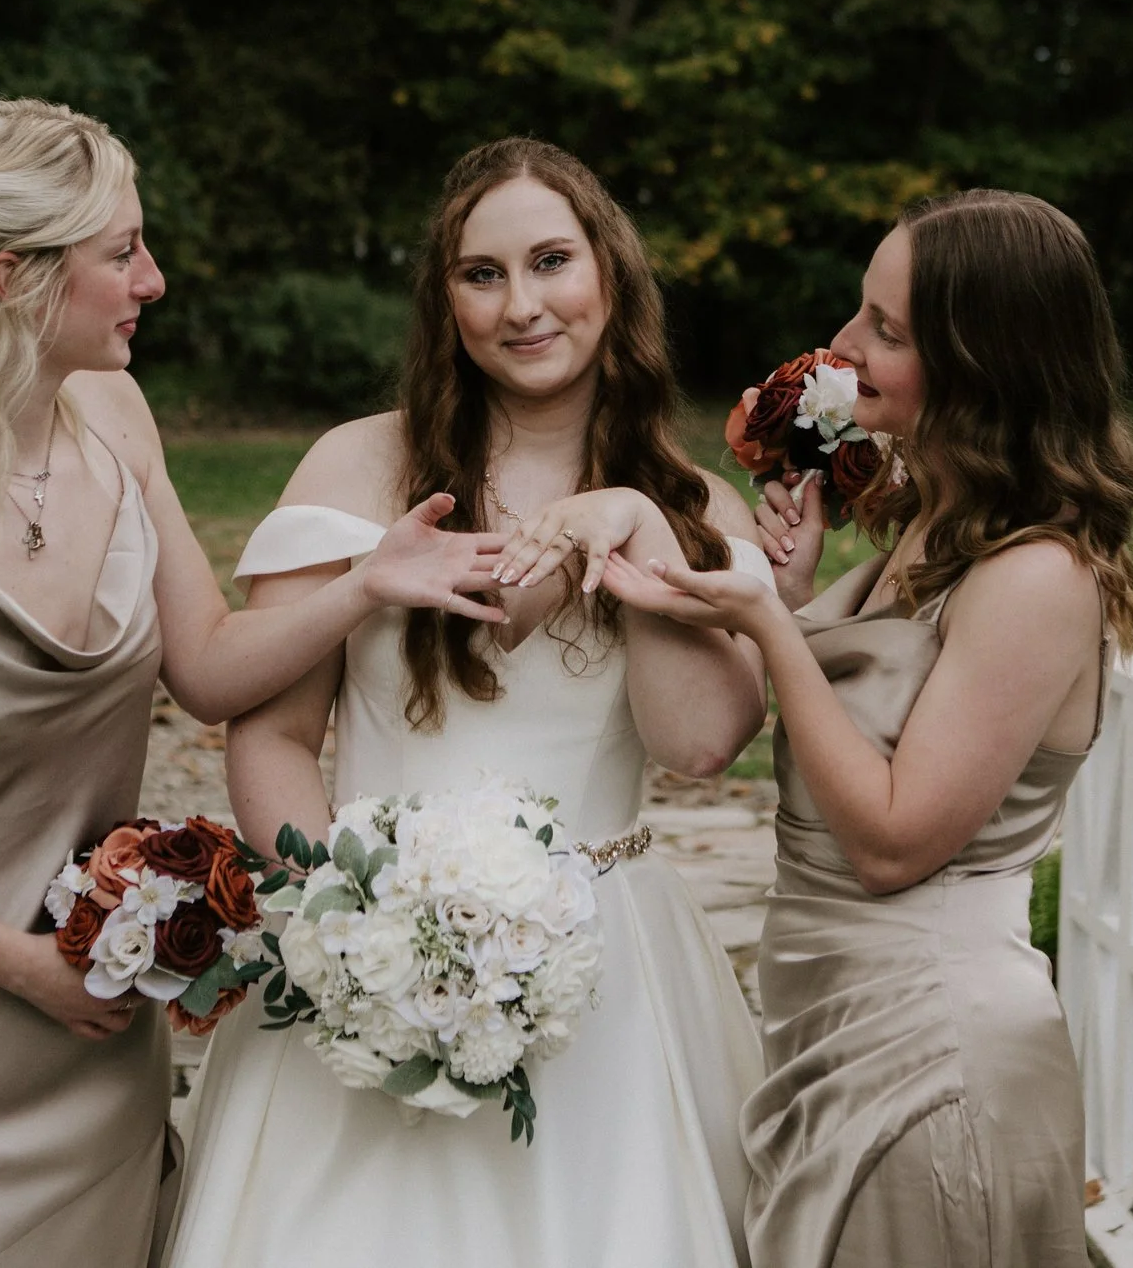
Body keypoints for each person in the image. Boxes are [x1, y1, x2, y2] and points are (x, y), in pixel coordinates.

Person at [0, 98, 506, 1268]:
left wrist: (366, 585)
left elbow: (205, 665)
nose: (152, 278)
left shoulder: (110, 414)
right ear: (14, 278)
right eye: (122, 252)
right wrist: (25, 967)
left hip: (100, 1035)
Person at [160, 137, 775, 1268]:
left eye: (551, 261)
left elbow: (698, 743)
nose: (522, 304)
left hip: (607, 969)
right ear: (444, 300)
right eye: (481, 274)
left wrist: (637, 520)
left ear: (610, 274)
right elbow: (276, 733)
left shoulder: (694, 502)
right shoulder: (353, 470)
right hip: (368, 946)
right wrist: (347, 916)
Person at [594, 189, 1133, 1268]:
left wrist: (762, 618)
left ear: (982, 359)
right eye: (861, 313)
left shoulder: (1036, 575)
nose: (843, 346)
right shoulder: (935, 519)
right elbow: (872, 722)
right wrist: (795, 594)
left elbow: (894, 840)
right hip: (835, 1024)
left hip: (932, 1053)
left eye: (886, 330)